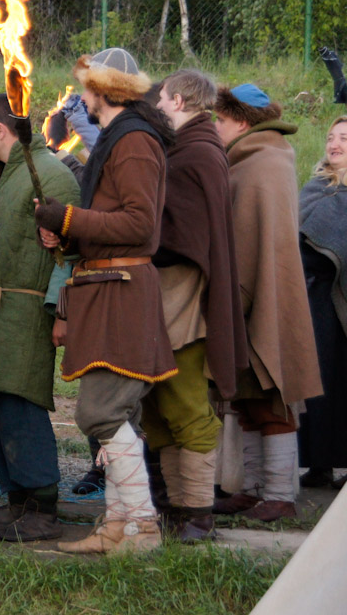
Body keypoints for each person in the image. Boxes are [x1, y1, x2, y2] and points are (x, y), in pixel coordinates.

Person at [34, 47, 175, 554]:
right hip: (108, 287)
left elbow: (139, 225)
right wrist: (67, 234)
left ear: (102, 90)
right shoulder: (121, 138)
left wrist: (69, 219)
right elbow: (115, 221)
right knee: (116, 416)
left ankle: (141, 527)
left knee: (103, 412)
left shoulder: (133, 141)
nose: (81, 97)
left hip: (122, 291)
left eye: (86, 88)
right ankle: (119, 527)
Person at [210, 84, 323, 521]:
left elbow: (257, 242)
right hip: (244, 294)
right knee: (246, 398)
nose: (216, 127)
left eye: (221, 120)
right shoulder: (247, 158)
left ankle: (279, 494)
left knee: (272, 398)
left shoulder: (265, 161)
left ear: (241, 121)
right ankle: (255, 488)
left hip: (266, 298)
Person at [0, 94, 79, 542]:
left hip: (26, 314)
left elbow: (69, 254)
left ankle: (42, 506)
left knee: (20, 405)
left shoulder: (51, 176)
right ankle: (17, 500)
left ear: (2, 130)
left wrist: (61, 312)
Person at [146, 70, 248, 540]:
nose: (158, 105)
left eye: (163, 98)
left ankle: (199, 515)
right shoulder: (185, 148)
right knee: (161, 407)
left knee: (186, 403)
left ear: (182, 101)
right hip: (165, 295)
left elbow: (185, 234)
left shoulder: (200, 152)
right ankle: (177, 508)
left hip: (184, 299)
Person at [298, 116, 347, 489]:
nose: (334, 144)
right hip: (314, 301)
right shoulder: (314, 187)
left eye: (344, 138)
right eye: (331, 137)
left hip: (340, 300)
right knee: (317, 383)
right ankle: (319, 463)